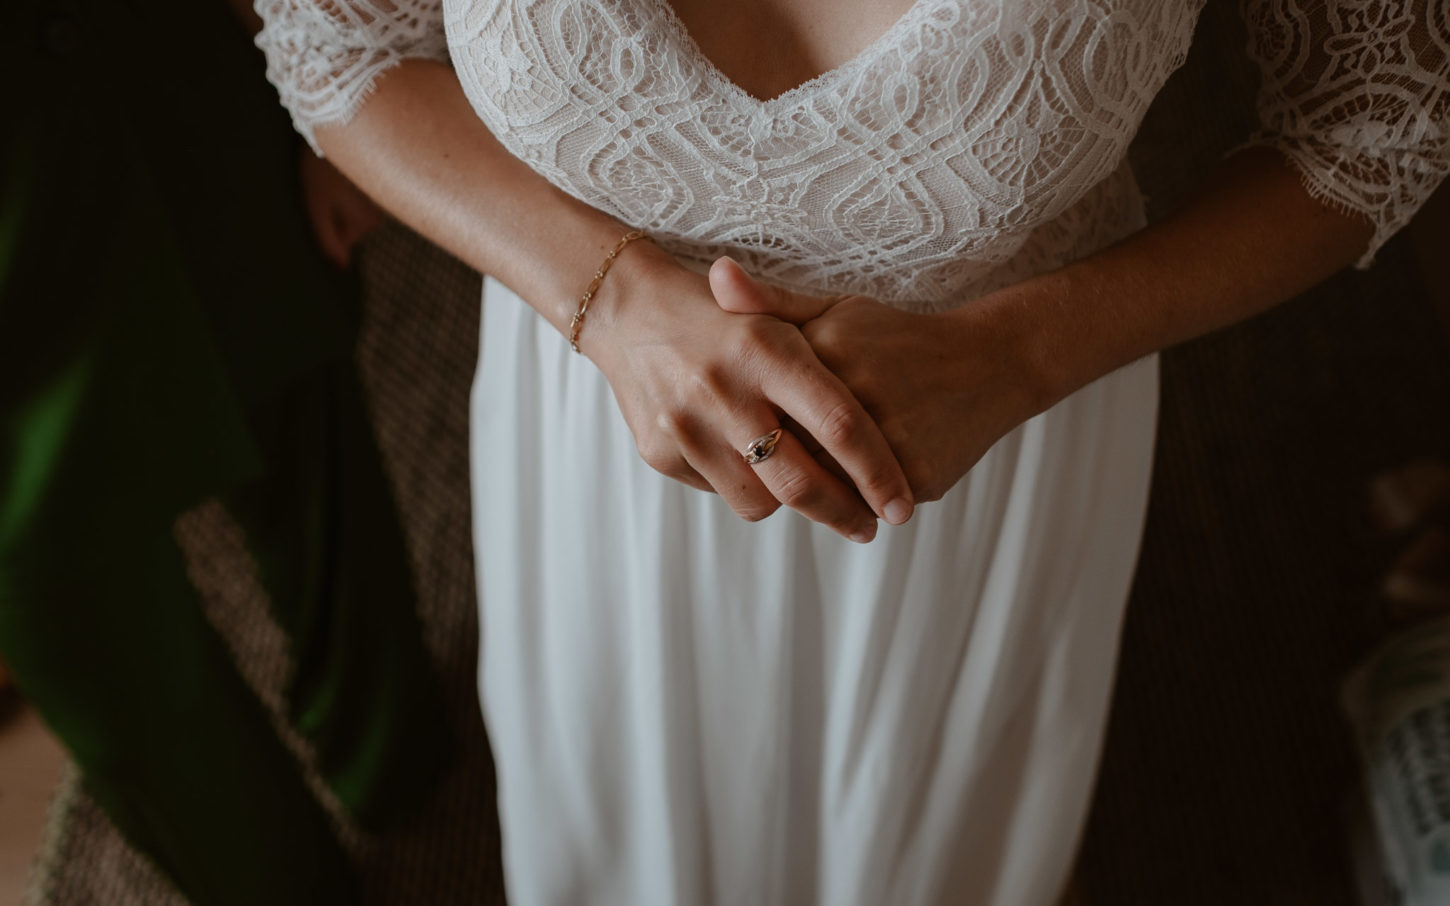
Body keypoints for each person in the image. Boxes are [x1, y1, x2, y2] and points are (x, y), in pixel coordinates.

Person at [255, 1, 1449, 904]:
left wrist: (1023, 356)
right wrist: (605, 298)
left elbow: (1377, 113)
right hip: (603, 438)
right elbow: (340, 43)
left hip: (988, 456)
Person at [0, 1, 448, 902]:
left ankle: (400, 757)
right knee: (82, 616)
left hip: (177, 86)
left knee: (306, 425)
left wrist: (341, 105)